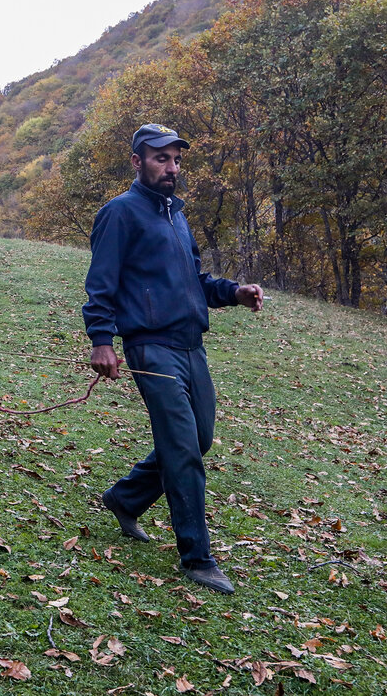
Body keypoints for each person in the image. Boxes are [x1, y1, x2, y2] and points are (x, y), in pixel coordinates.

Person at [83, 123, 264, 595]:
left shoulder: (176, 216)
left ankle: (125, 498)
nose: (171, 167)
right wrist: (102, 340)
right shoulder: (120, 214)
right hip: (150, 346)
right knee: (181, 448)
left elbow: (195, 281)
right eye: (161, 158)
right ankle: (197, 557)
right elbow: (100, 284)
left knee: (198, 439)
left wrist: (234, 293)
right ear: (138, 161)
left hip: (190, 345)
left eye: (177, 159)